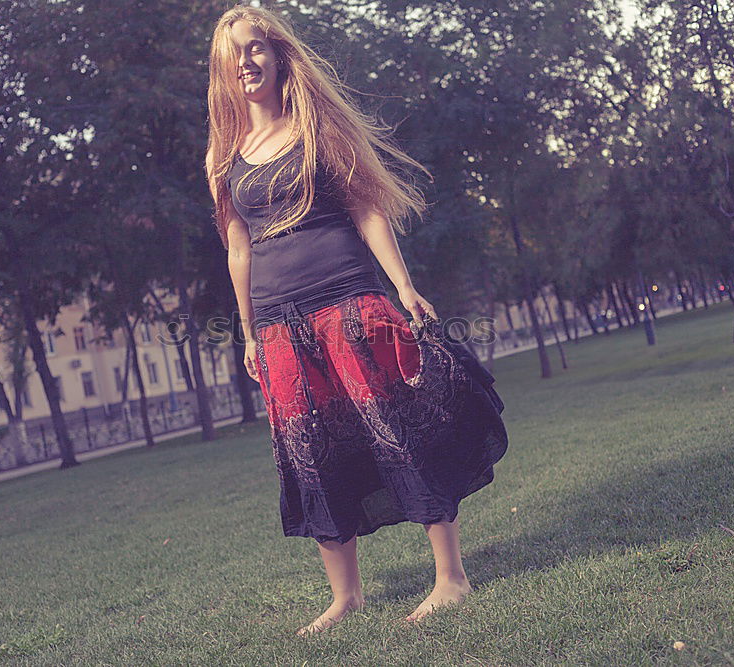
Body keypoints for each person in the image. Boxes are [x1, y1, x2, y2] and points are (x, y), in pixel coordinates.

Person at [203, 5, 508, 636]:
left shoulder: (316, 129)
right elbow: (238, 249)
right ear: (223, 71)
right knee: (310, 452)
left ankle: (450, 578)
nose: (247, 59)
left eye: (257, 47)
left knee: (396, 429)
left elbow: (369, 209)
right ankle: (346, 596)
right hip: (280, 321)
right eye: (235, 53)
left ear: (280, 56)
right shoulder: (223, 159)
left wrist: (404, 288)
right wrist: (249, 332)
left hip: (349, 301)